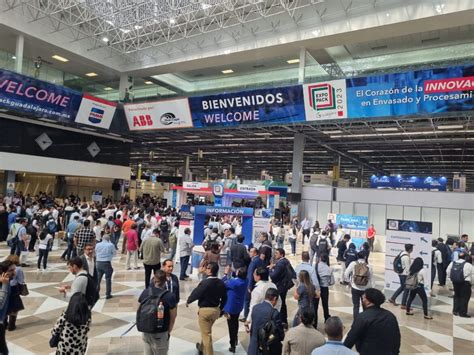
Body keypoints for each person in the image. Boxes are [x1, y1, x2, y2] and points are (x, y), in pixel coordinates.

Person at [186, 262, 227, 355]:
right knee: (206, 330)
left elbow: (197, 293)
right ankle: (201, 347)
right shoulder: (221, 283)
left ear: (209, 270)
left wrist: (189, 300)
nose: (206, 269)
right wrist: (221, 309)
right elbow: (225, 297)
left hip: (205, 311)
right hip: (216, 311)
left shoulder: (205, 283)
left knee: (207, 335)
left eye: (207, 268)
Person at [344, 288, 401, 355]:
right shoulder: (390, 316)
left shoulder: (362, 317)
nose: (362, 299)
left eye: (364, 297)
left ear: (368, 301)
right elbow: (396, 338)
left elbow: (351, 338)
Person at [138, 269, 177, 355]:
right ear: (165, 281)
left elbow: (139, 308)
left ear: (154, 279)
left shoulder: (146, 292)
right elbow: (173, 317)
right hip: (161, 332)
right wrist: (168, 332)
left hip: (146, 330)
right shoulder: (169, 296)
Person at [247, 288, 285, 355]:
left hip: (253, 347)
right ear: (275, 298)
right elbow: (280, 334)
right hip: (266, 349)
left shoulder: (255, 308)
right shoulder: (274, 313)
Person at [223, 266, 248, 353]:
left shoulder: (234, 283)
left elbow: (224, 282)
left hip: (231, 307)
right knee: (235, 322)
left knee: (231, 326)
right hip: (239, 306)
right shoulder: (245, 280)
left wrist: (226, 273)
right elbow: (235, 278)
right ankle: (235, 338)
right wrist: (233, 272)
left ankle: (232, 344)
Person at [344, 251, 375, 321]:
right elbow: (371, 279)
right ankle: (365, 320)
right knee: (365, 306)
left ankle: (356, 321)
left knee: (356, 306)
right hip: (365, 289)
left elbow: (346, 273)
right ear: (365, 257)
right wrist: (372, 289)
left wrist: (349, 282)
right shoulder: (368, 266)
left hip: (355, 288)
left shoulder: (353, 264)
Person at [295, 251, 320, 327]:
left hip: (301, 295)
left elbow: (295, 280)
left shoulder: (297, 268)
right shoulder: (311, 268)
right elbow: (315, 283)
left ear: (301, 258)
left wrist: (297, 287)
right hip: (309, 294)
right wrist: (316, 291)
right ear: (309, 258)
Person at [269, 248, 293, 327]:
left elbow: (273, 276)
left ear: (281, 255)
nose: (275, 255)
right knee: (282, 303)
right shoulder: (285, 261)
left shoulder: (280, 264)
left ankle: (280, 321)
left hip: (280, 286)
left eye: (277, 253)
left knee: (279, 304)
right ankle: (283, 320)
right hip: (284, 285)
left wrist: (271, 269)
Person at [446, 251, 472, 317]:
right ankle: (462, 313)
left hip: (455, 282)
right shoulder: (468, 265)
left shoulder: (452, 263)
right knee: (464, 297)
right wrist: (471, 283)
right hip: (465, 283)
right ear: (465, 257)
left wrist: (451, 278)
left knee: (456, 296)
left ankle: (455, 310)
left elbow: (448, 271)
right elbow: (472, 275)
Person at [388, 243, 413, 309]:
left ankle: (393, 298)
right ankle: (403, 305)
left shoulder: (402, 253)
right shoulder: (406, 257)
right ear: (410, 249)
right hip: (405, 275)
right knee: (406, 289)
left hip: (400, 273)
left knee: (402, 287)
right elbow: (408, 269)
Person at [5, 255, 24, 331]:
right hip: (14, 289)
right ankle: (11, 325)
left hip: (4, 286)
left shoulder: (4, 267)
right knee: (15, 307)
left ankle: (4, 323)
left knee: (5, 305)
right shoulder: (18, 269)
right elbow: (20, 281)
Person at [243, 247, 264, 320]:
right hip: (259, 283)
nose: (249, 253)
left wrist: (249, 286)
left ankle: (246, 316)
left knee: (247, 300)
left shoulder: (253, 262)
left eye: (251, 252)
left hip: (252, 284)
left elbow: (250, 275)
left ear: (255, 253)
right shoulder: (260, 260)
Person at [95, 234, 116, 299]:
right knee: (108, 279)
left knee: (98, 279)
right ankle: (108, 294)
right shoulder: (110, 245)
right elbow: (114, 253)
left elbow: (95, 252)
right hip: (106, 262)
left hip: (98, 263)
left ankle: (96, 293)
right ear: (108, 239)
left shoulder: (97, 244)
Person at [0, 261, 13, 355]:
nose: (14, 272)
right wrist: (4, 285)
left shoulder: (7, 282)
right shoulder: (4, 283)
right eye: (11, 270)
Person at [316, 254, 333, 323]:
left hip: (317, 288)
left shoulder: (316, 266)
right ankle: (326, 317)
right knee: (325, 304)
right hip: (325, 288)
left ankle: (315, 321)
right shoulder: (329, 269)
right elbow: (332, 282)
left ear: (320, 258)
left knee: (315, 305)